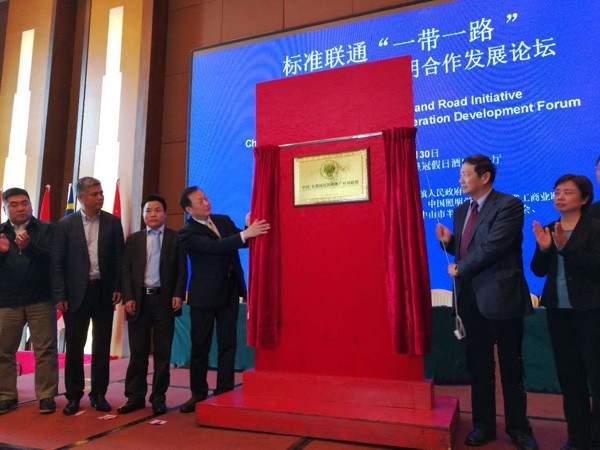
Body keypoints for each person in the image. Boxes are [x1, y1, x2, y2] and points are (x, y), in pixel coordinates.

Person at [435, 155, 538, 450]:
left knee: (511, 368)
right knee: (479, 367)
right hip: (469, 299)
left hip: (502, 297)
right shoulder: (460, 210)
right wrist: (449, 242)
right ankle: (483, 425)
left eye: (466, 174)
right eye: (460, 174)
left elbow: (495, 246)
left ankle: (518, 428)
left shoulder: (509, 205)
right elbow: (468, 247)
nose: (460, 179)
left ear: (485, 177)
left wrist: (461, 267)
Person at [177, 187, 270, 413]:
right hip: (204, 295)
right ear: (189, 209)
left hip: (229, 290)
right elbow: (214, 247)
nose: (206, 202)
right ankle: (198, 393)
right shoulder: (187, 232)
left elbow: (242, 241)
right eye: (200, 200)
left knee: (228, 343)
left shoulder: (223, 220)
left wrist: (247, 227)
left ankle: (225, 390)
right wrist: (245, 234)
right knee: (201, 345)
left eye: (206, 198)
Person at [531, 174, 600, 450]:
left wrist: (566, 249)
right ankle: (578, 438)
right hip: (558, 313)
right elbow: (537, 270)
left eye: (567, 192)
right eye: (556, 191)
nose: (559, 196)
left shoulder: (595, 227)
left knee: (596, 378)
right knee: (570, 380)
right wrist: (543, 249)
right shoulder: (550, 228)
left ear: (584, 199)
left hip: (591, 312)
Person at [52, 177, 124, 415]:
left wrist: (118, 286)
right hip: (74, 294)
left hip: (103, 292)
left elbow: (119, 259)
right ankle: (73, 396)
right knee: (75, 346)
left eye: (101, 193)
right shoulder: (65, 225)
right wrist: (60, 294)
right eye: (94, 194)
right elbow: (57, 263)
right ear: (81, 198)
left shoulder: (113, 223)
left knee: (102, 346)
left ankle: (99, 394)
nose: (100, 197)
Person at [117, 194, 187, 415]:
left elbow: (182, 269)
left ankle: (158, 398)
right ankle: (134, 397)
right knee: (138, 352)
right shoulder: (134, 240)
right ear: (143, 214)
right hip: (139, 301)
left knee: (162, 354)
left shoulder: (175, 238)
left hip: (164, 301)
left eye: (157, 210)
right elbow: (125, 271)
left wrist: (178, 293)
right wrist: (128, 297)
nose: (153, 214)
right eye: (148, 210)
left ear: (165, 214)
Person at [0, 188, 58, 415]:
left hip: (40, 299)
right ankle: (6, 396)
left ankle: (46, 396)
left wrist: (29, 248)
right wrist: (2, 253)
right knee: (3, 351)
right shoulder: (1, 232)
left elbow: (54, 261)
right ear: (5, 208)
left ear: (31, 205)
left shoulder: (46, 229)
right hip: (7, 300)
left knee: (45, 350)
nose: (21, 208)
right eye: (14, 204)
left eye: (24, 203)